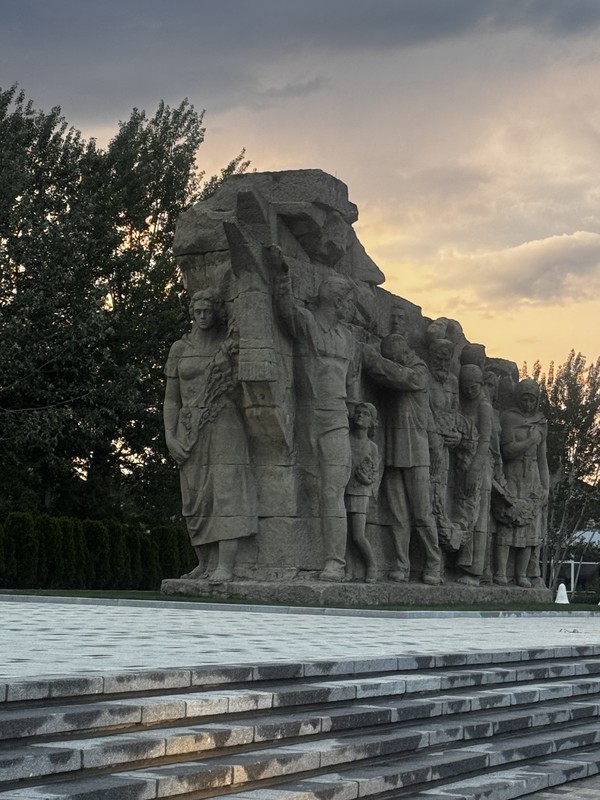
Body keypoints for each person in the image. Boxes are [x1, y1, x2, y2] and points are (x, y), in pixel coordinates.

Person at [163, 288, 257, 584]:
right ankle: (203, 563)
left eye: (208, 311)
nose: (203, 316)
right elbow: (171, 399)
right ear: (192, 312)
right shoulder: (180, 348)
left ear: (216, 313)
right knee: (193, 496)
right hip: (188, 426)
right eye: (198, 311)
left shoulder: (227, 346)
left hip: (223, 420)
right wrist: (169, 436)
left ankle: (225, 565)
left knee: (226, 490)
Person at [275, 261, 360, 582]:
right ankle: (291, 556)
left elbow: (352, 384)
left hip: (337, 418)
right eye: (349, 301)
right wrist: (282, 276)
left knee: (332, 490)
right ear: (336, 301)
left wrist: (358, 424)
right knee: (307, 486)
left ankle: (335, 562)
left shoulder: (348, 338)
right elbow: (285, 310)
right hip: (307, 416)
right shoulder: (308, 322)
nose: (352, 308)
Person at [364, 333, 442, 585]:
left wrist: (373, 359)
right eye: (386, 354)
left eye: (391, 353)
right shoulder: (389, 372)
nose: (390, 357)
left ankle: (434, 563)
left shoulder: (419, 369)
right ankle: (401, 564)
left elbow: (406, 378)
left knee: (422, 513)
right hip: (392, 452)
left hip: (416, 452)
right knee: (397, 515)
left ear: (401, 349)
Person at [493, 379, 549, 587]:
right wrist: (530, 441)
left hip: (532, 475)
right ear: (518, 398)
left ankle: (521, 574)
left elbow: (542, 460)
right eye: (524, 399)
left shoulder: (541, 422)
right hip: (513, 472)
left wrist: (546, 487)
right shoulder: (509, 418)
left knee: (529, 526)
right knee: (508, 520)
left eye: (532, 400)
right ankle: (501, 572)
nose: (528, 404)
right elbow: (507, 451)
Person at [453, 364, 493, 585]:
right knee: (463, 515)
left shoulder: (484, 407)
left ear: (480, 385)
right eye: (466, 387)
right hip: (462, 464)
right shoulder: (460, 402)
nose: (469, 392)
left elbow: (485, 442)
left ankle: (475, 570)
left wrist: (474, 471)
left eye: (473, 388)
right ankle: (460, 563)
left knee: (478, 520)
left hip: (479, 468)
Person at [345, 402, 380, 582]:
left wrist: (365, 478)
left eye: (366, 413)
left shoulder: (372, 447)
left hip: (360, 491)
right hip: (343, 489)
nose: (360, 415)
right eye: (358, 412)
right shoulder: (346, 439)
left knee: (358, 535)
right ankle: (349, 570)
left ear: (372, 421)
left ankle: (372, 565)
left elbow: (374, 474)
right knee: (345, 536)